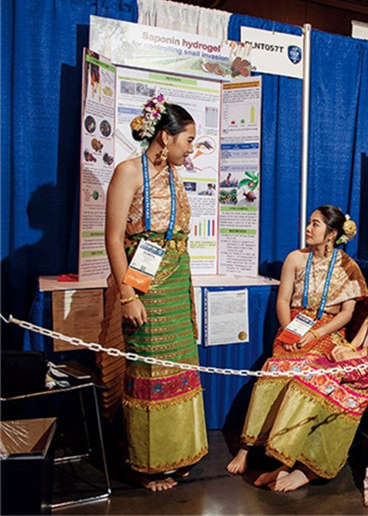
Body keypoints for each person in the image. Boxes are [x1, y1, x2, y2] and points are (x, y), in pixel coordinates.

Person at [231, 193, 368, 507]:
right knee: (309, 373)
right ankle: (286, 461)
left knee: (325, 382)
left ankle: (310, 469)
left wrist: (363, 353)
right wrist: (351, 346)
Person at [101, 95, 207, 491]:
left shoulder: (173, 174)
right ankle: (148, 464)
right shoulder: (128, 171)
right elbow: (114, 238)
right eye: (188, 140)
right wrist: (128, 295)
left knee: (179, 367)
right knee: (148, 368)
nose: (191, 149)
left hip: (176, 283)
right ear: (165, 136)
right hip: (144, 285)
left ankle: (180, 453)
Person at [225, 205, 368, 475]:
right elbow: (282, 300)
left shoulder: (348, 267)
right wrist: (288, 331)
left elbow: (347, 314)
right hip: (293, 324)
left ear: (332, 234)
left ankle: (287, 451)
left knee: (307, 371)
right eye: (309, 222)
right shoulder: (295, 258)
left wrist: (315, 334)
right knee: (273, 370)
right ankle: (247, 447)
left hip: (327, 330)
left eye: (315, 224)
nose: (308, 228)